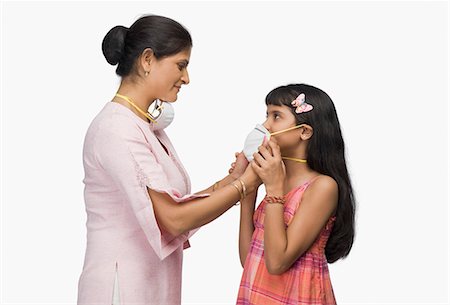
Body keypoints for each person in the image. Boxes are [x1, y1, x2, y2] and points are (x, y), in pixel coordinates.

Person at [77, 14, 258, 305]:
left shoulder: (142, 124)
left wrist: (233, 179)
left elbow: (175, 206)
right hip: (122, 287)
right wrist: (245, 185)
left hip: (152, 281)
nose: (186, 78)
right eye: (181, 65)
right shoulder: (117, 129)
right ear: (147, 60)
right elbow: (173, 220)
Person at [235, 84, 356, 305]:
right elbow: (250, 259)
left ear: (304, 131)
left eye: (276, 116)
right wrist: (248, 193)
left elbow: (277, 262)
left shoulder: (322, 187)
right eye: (267, 115)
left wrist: (273, 189)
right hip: (258, 295)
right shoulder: (277, 180)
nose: (265, 125)